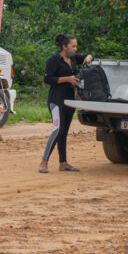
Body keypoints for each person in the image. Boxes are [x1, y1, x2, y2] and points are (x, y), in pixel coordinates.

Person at [40, 34, 93, 173]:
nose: (76, 49)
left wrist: (88, 58)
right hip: (56, 101)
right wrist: (67, 79)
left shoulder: (73, 58)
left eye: (76, 46)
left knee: (63, 133)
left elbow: (87, 56)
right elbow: (47, 79)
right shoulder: (54, 60)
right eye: (73, 46)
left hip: (69, 102)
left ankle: (63, 163)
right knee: (57, 130)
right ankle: (44, 162)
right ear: (64, 47)